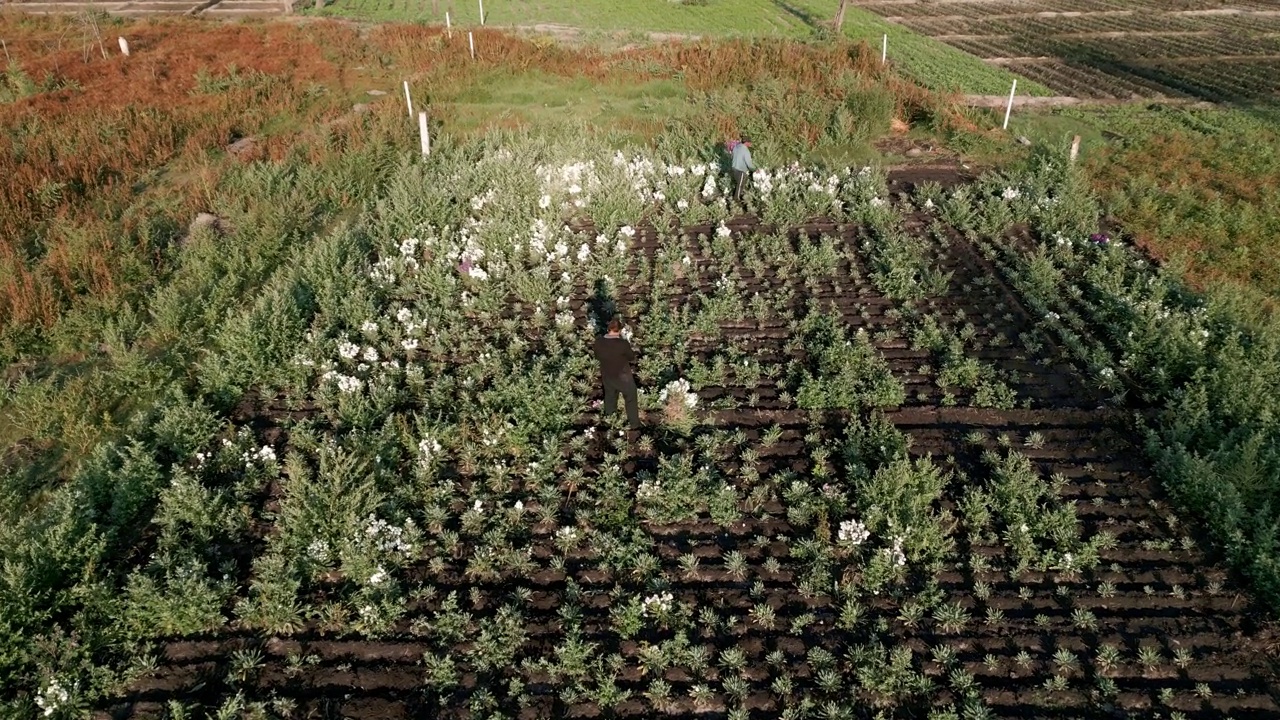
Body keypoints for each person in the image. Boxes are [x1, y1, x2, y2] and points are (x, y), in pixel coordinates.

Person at [593, 317, 641, 430]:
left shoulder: (599, 342)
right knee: (630, 397)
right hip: (623, 376)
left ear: (608, 329)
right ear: (619, 330)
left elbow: (597, 356)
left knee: (610, 397)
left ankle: (610, 422)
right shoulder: (622, 344)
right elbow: (631, 357)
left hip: (607, 375)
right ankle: (634, 424)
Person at [730, 136, 755, 201]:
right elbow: (749, 163)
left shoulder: (736, 147)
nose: (750, 144)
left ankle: (738, 195)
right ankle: (736, 199)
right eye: (750, 142)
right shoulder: (745, 150)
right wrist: (754, 169)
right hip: (740, 170)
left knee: (742, 182)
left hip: (734, 167)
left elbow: (732, 156)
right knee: (740, 185)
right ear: (746, 142)